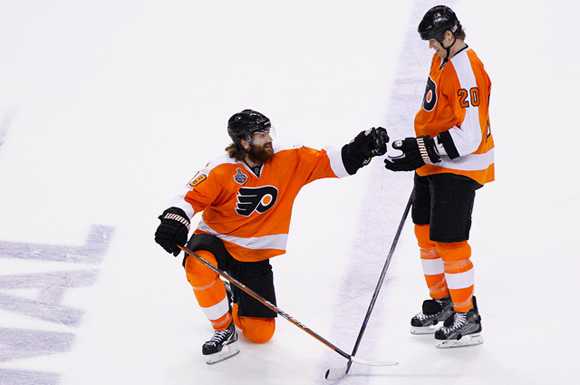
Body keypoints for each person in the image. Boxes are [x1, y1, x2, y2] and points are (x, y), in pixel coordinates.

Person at [154, 109, 389, 363]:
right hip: (217, 239)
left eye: (268, 132)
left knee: (260, 335)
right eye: (260, 135)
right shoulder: (221, 169)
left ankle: (228, 295)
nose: (268, 139)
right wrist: (174, 219)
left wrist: (359, 150)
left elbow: (329, 162)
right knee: (198, 265)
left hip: (255, 251)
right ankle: (224, 329)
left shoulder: (289, 157)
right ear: (243, 142)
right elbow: (189, 198)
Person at [384, 5, 494, 348]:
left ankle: (467, 317)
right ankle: (445, 303)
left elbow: (470, 136)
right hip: (434, 161)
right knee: (425, 235)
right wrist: (418, 148)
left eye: (434, 39)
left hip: (460, 167)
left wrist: (423, 150)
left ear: (450, 35)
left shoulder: (468, 72)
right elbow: (437, 112)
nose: (430, 46)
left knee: (449, 241)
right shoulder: (443, 58)